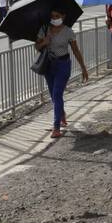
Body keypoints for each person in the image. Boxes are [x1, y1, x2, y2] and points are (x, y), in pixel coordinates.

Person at [36, 8, 89, 139]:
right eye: (52, 16)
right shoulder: (44, 29)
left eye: (57, 16)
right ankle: (61, 113)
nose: (54, 19)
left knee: (57, 93)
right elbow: (37, 47)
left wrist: (83, 67)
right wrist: (44, 42)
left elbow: (76, 50)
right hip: (49, 66)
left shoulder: (68, 32)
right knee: (54, 97)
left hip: (63, 65)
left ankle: (56, 127)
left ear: (63, 16)